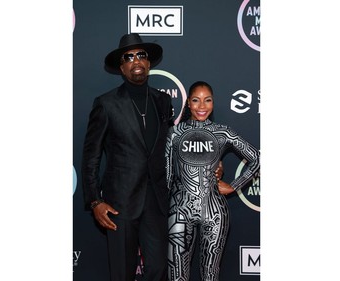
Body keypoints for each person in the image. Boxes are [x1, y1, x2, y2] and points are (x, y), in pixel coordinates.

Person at [81, 34, 223, 281]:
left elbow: (172, 146)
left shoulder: (162, 100)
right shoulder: (106, 104)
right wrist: (95, 201)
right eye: (129, 57)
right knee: (122, 273)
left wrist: (209, 163)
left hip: (157, 201)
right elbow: (90, 156)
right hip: (119, 204)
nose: (136, 60)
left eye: (141, 55)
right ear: (122, 66)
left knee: (158, 270)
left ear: (148, 63)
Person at [166, 81, 260, 281]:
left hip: (215, 212)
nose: (202, 106)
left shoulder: (222, 132)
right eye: (196, 100)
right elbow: (166, 177)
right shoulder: (174, 133)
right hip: (179, 212)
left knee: (210, 274)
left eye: (207, 100)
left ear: (213, 103)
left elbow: (257, 158)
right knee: (177, 275)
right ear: (188, 103)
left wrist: (234, 186)